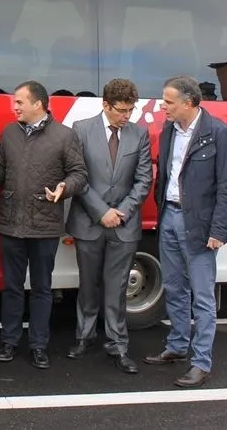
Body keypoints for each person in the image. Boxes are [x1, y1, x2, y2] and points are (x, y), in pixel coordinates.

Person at [0, 80, 88, 369]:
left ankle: (39, 345)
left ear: (38, 104)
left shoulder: (64, 136)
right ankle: (9, 341)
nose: (14, 107)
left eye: (19, 103)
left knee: (42, 288)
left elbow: (79, 174)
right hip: (11, 223)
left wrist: (65, 186)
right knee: (11, 287)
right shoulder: (10, 132)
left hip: (44, 226)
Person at [143, 75, 227, 388]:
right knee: (173, 288)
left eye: (169, 102)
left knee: (202, 297)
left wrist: (219, 230)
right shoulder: (169, 130)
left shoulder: (220, 133)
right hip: (169, 218)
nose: (163, 107)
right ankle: (176, 346)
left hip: (198, 226)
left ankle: (201, 363)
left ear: (189, 102)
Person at [66, 78, 152, 374]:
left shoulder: (139, 134)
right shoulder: (81, 129)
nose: (126, 116)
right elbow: (77, 175)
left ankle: (118, 344)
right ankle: (84, 336)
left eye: (130, 110)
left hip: (124, 225)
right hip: (89, 220)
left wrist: (122, 211)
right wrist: (101, 211)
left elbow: (144, 180)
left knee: (116, 288)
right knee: (88, 284)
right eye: (121, 110)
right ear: (105, 105)